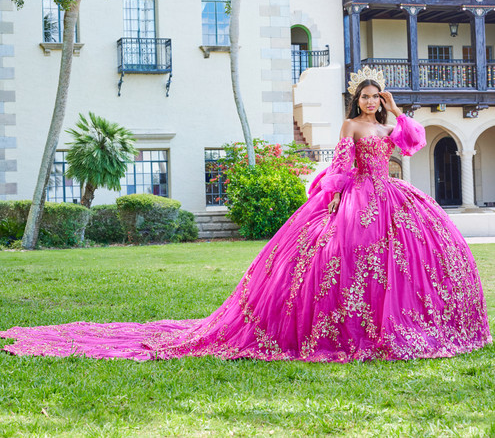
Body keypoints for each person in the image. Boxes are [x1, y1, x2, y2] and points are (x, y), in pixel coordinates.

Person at [1, 68, 491, 361]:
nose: (367, 101)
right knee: (341, 256)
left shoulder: (387, 124)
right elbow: (341, 166)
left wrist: (394, 106)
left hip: (392, 196)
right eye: (363, 96)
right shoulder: (349, 125)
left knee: (407, 260)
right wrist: (337, 198)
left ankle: (401, 323)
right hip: (359, 196)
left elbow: (411, 142)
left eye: (372, 96)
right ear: (353, 99)